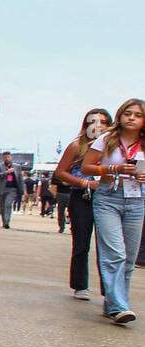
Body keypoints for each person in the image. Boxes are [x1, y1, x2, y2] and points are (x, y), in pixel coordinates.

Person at [80, 99, 145, 324]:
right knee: (114, 253)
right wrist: (113, 168)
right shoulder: (106, 139)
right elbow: (85, 167)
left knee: (128, 258)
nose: (132, 118)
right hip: (109, 197)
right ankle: (119, 305)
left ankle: (113, 304)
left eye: (137, 115)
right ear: (120, 115)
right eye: (128, 113)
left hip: (137, 199)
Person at [55, 108, 111, 301]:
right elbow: (60, 172)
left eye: (103, 122)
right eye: (93, 121)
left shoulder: (114, 148)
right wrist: (83, 182)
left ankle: (109, 291)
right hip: (82, 197)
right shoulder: (76, 146)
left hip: (109, 198)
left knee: (108, 246)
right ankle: (80, 285)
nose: (98, 125)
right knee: (81, 243)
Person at [0, 153, 25, 228]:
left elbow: (20, 179)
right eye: (5, 157)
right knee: (2, 207)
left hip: (12, 189)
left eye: (8, 157)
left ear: (11, 157)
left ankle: (7, 222)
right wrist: (6, 172)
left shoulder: (17, 167)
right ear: (3, 158)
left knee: (8, 204)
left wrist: (22, 190)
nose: (7, 158)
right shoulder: (0, 166)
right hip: (2, 189)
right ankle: (4, 222)